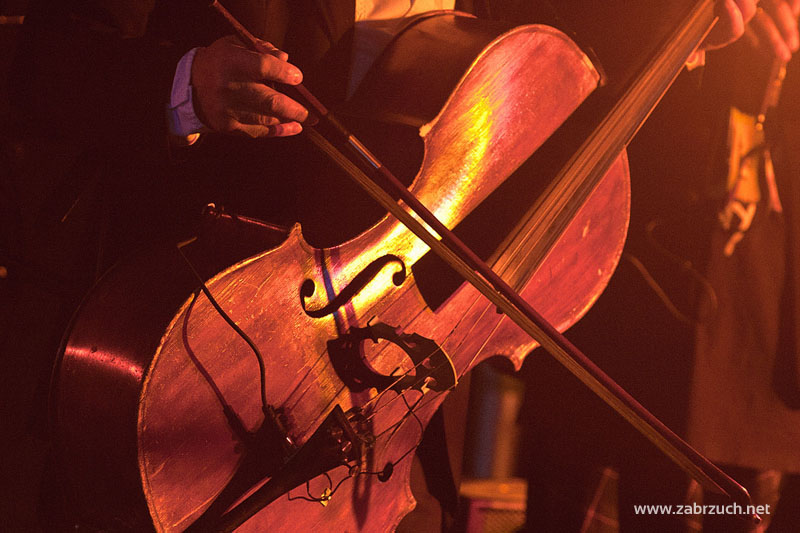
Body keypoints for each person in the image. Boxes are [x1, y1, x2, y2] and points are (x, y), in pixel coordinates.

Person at [3, 0, 761, 531]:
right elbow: (41, 67)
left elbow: (548, 68)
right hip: (203, 357)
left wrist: (679, 23)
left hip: (391, 430)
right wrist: (187, 85)